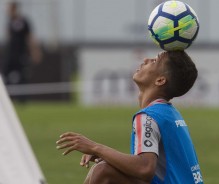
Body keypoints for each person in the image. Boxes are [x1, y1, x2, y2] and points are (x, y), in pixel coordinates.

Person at [56, 51, 204, 184]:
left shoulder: (148, 116)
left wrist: (95, 148)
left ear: (160, 80)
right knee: (105, 167)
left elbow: (145, 169)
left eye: (154, 61)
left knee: (102, 171)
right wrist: (106, 156)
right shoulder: (170, 114)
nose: (146, 59)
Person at [2, 1, 41, 88]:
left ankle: (23, 98)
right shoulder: (9, 23)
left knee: (22, 76)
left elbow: (30, 38)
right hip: (10, 54)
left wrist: (35, 51)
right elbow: (8, 38)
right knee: (5, 74)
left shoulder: (24, 22)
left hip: (21, 54)